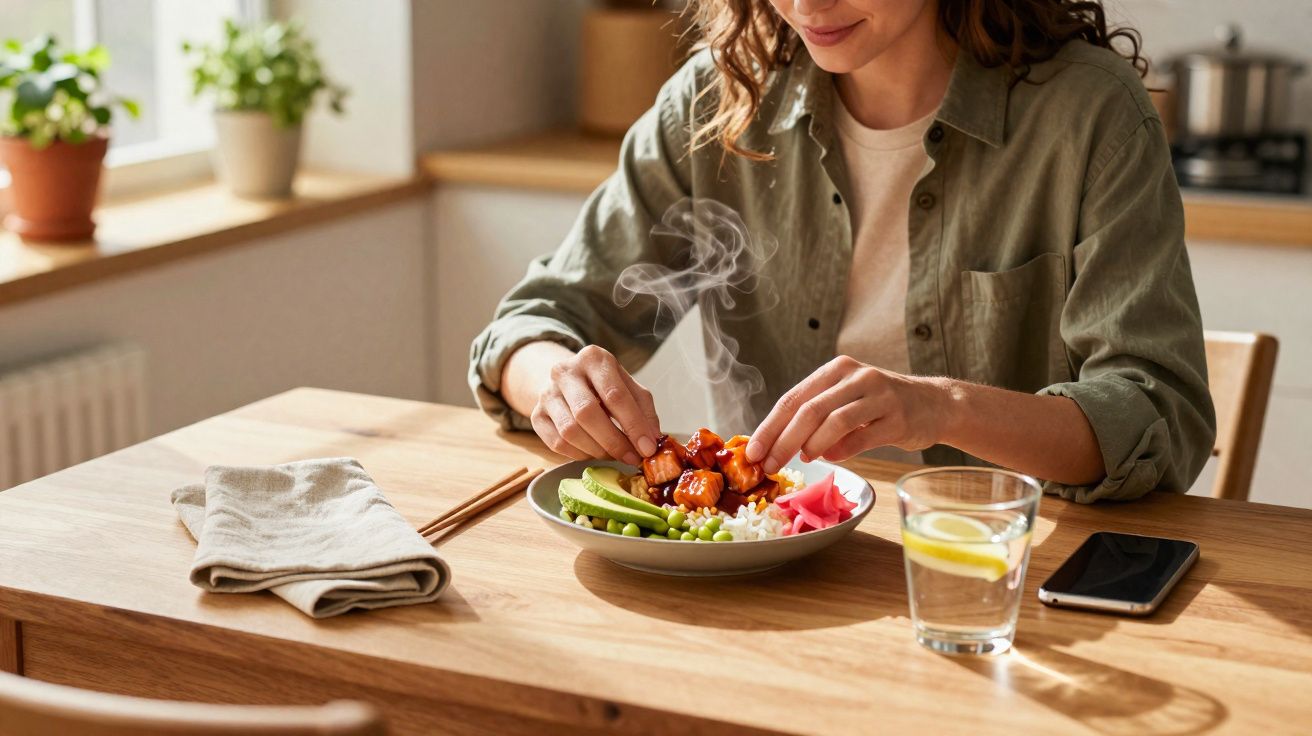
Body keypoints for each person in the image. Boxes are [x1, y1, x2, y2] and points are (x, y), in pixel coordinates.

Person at [469, 0, 1216, 502]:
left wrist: (942, 407)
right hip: (766, 581)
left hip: (994, 581)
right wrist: (555, 382)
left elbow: (1157, 413)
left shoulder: (1088, 115)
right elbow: (531, 324)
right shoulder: (719, 98)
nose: (809, 2)